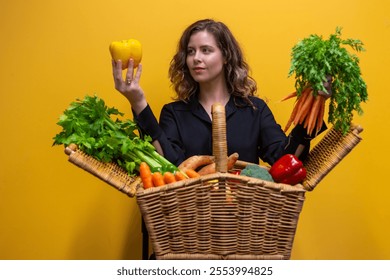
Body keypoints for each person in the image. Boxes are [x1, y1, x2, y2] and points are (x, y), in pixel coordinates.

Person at [111, 19, 329, 167]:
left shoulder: (255, 110)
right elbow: (169, 166)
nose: (196, 58)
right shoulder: (175, 113)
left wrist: (313, 104)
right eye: (190, 51)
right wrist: (138, 102)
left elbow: (285, 159)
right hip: (190, 223)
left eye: (206, 50)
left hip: (246, 222)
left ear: (225, 56)